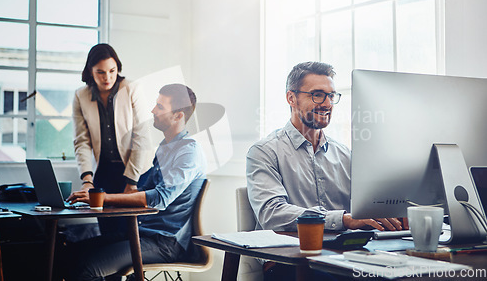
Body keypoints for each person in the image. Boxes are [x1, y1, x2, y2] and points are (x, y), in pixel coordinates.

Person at [246, 62, 407, 280]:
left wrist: (393, 211)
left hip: (344, 254)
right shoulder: (264, 152)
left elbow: (367, 204)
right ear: (291, 98)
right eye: (317, 95)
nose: (327, 103)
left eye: (331, 96)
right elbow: (272, 214)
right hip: (291, 259)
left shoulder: (345, 154)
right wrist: (345, 219)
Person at [65, 83, 206, 280]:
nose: (153, 111)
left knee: (87, 268)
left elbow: (160, 198)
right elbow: (139, 191)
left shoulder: (188, 152)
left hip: (166, 242)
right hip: (143, 233)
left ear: (178, 115)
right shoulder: (166, 148)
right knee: (70, 254)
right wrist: (93, 198)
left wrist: (103, 199)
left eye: (160, 107)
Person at [73, 43, 153, 234]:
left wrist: (132, 182)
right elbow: (81, 141)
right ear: (90, 71)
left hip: (136, 171)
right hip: (105, 171)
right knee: (108, 231)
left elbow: (141, 137)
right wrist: (87, 179)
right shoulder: (80, 96)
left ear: (118, 68)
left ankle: (131, 265)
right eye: (100, 72)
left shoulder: (132, 88)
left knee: (131, 232)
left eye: (112, 70)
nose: (107, 77)